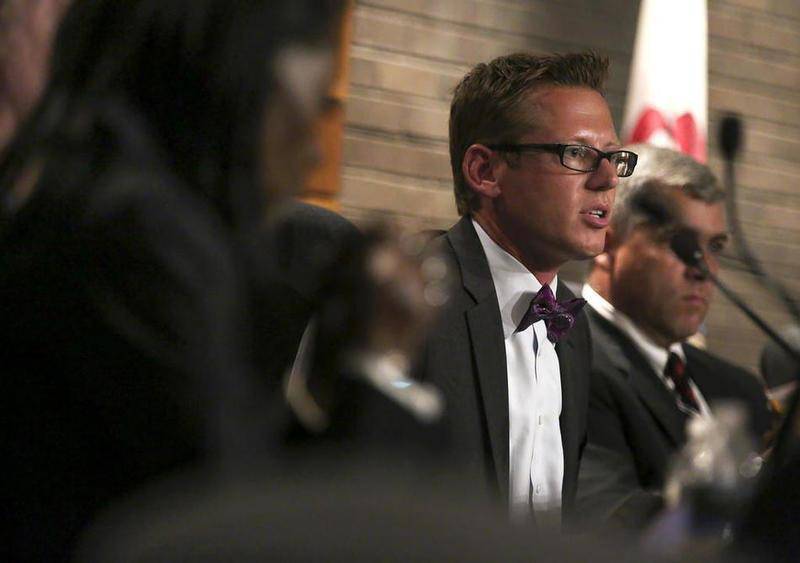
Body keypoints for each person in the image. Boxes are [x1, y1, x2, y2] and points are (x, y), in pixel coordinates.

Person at [0, 0, 341, 559]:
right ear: (243, 88)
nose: (312, 154)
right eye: (305, 113)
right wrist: (378, 368)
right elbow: (234, 520)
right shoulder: (143, 241)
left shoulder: (106, 197)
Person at [414, 51, 634, 523]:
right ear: (485, 171)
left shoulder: (573, 323)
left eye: (614, 158)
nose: (607, 179)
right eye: (577, 154)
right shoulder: (417, 296)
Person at [576, 144, 773, 530]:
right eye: (680, 244)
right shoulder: (565, 356)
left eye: (714, 248)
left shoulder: (740, 389)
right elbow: (608, 520)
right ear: (608, 241)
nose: (704, 270)